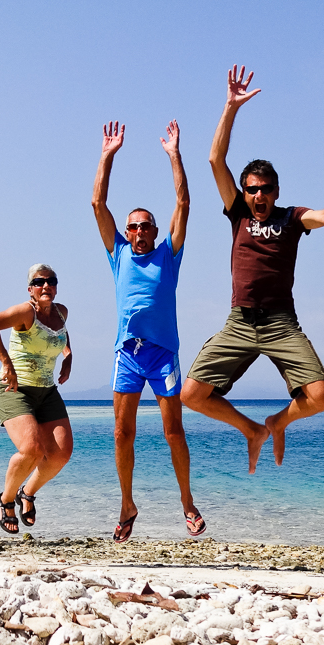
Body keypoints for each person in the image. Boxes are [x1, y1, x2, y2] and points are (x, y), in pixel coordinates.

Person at [181, 65, 324, 474]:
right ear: (244, 193)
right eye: (252, 189)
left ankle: (277, 422)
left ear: (276, 191)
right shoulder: (237, 215)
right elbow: (215, 159)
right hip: (239, 323)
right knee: (191, 394)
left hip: (282, 324)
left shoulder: (291, 217)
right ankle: (251, 430)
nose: (258, 195)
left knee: (322, 396)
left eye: (265, 189)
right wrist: (230, 107)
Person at [92, 119, 204, 544]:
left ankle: (188, 503)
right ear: (127, 232)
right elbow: (97, 203)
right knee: (122, 433)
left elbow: (184, 202)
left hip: (163, 356)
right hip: (128, 353)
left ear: (155, 232)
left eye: (145, 226)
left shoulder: (168, 254)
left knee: (173, 431)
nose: (138, 232)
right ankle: (126, 506)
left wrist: (175, 154)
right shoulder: (118, 253)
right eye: (132, 226)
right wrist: (107, 156)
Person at [0, 264, 74, 534]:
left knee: (61, 454)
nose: (46, 286)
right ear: (30, 288)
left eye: (51, 281)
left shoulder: (60, 311)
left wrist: (69, 357)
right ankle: (5, 500)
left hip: (47, 391)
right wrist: (6, 363)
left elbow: (61, 335)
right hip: (15, 389)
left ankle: (27, 494)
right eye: (39, 282)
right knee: (31, 449)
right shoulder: (25, 312)